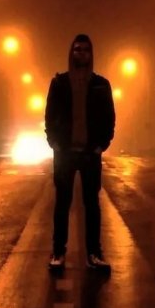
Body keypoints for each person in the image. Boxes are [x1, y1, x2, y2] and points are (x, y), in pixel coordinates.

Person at [44, 33, 115, 272]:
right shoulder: (59, 83)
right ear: (71, 53)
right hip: (64, 152)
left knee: (92, 204)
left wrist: (101, 145)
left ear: (91, 54)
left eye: (85, 49)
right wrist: (54, 142)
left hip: (89, 154)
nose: (81, 53)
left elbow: (109, 117)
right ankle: (58, 252)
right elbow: (49, 115)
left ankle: (94, 254)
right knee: (62, 204)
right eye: (77, 49)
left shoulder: (101, 84)